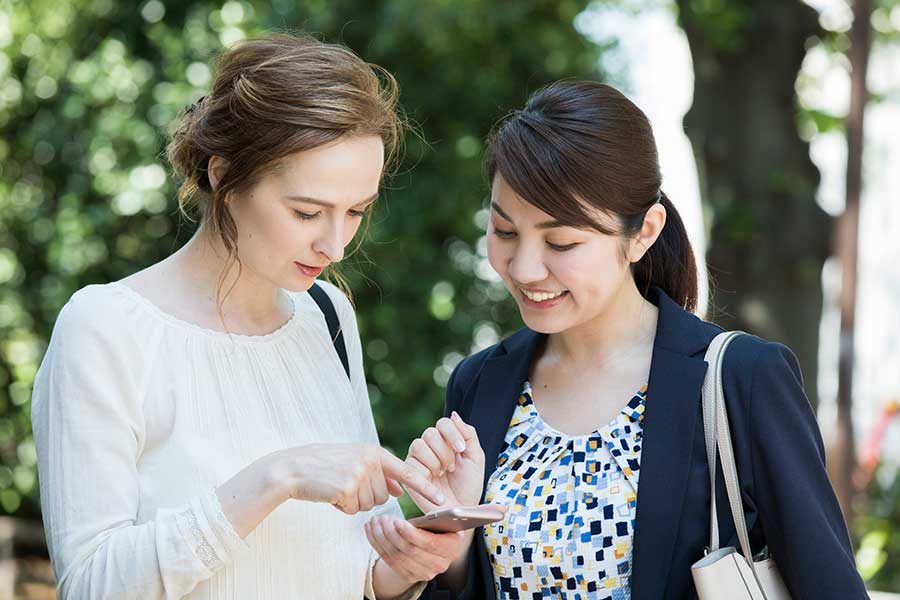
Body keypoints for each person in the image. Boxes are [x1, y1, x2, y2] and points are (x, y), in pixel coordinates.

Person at [375, 81, 869, 599]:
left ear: (644, 232)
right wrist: (449, 559)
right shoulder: (480, 383)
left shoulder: (738, 379)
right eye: (504, 232)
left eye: (561, 241)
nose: (523, 267)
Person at [31, 33, 463, 600]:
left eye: (356, 211)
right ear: (222, 175)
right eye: (308, 212)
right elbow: (90, 585)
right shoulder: (105, 329)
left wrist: (404, 567)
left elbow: (341, 567)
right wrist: (275, 478)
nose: (336, 246)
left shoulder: (327, 315)